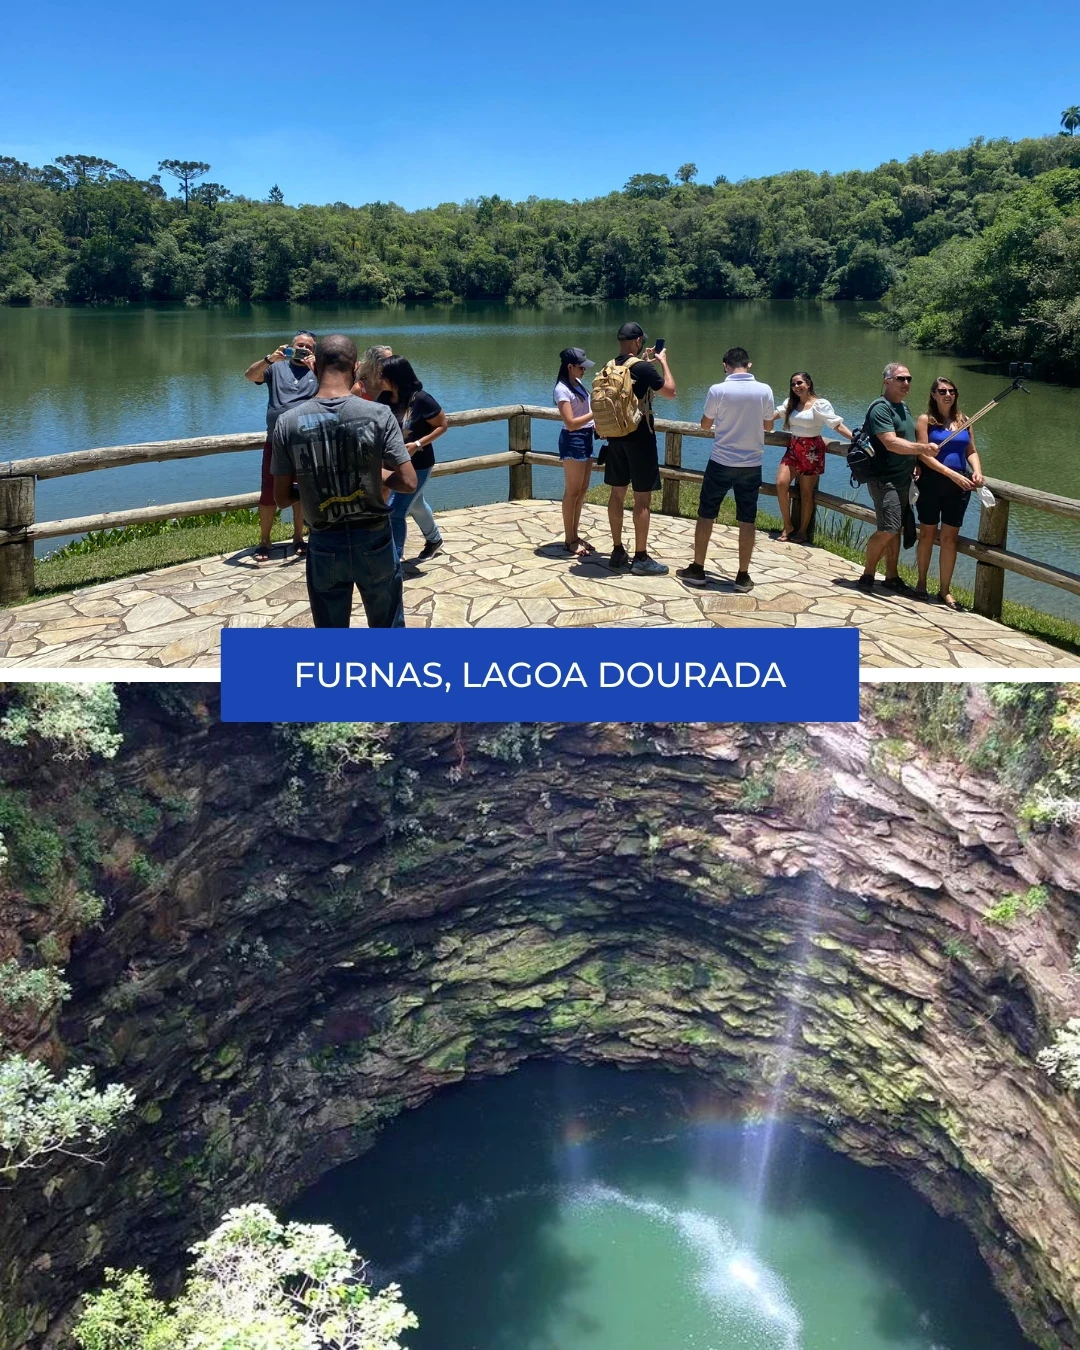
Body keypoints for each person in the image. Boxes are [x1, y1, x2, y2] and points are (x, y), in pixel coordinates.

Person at [271, 334, 417, 628]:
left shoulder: (287, 422)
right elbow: (408, 482)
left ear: (315, 367)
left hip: (324, 541)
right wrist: (374, 475)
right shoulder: (378, 414)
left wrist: (314, 486)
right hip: (374, 538)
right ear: (357, 367)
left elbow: (282, 498)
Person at [676, 347, 775, 592]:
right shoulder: (765, 390)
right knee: (747, 519)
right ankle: (742, 575)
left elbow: (706, 424)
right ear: (748, 365)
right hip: (752, 463)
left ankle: (698, 568)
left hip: (721, 460)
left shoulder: (717, 390)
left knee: (706, 514)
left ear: (725, 365)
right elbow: (769, 426)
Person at [600, 322, 676, 575]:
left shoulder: (610, 366)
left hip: (615, 439)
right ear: (637, 342)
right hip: (640, 439)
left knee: (617, 494)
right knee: (642, 499)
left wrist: (645, 362)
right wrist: (662, 361)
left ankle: (617, 550)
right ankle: (641, 557)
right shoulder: (642, 368)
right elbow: (670, 392)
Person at [244, 331, 317, 563]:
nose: (303, 349)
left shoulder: (320, 370)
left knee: (303, 492)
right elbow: (250, 375)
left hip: (308, 442)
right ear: (290, 346)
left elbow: (339, 391)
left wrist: (317, 368)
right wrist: (270, 359)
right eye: (299, 345)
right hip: (276, 442)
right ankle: (264, 541)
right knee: (268, 494)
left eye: (308, 347)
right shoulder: (276, 367)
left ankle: (298, 538)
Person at [856, 362, 926, 594]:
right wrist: (922, 449)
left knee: (895, 528)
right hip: (883, 479)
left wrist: (916, 461)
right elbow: (890, 441)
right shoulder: (880, 408)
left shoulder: (903, 407)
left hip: (903, 480)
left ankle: (892, 576)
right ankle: (867, 573)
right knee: (889, 527)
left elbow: (906, 436)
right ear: (886, 381)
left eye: (908, 379)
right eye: (900, 379)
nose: (906, 383)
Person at [914, 377, 982, 609]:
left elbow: (971, 450)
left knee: (949, 539)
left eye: (951, 391)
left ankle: (945, 590)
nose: (947, 395)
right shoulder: (926, 421)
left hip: (959, 485)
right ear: (933, 394)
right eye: (942, 391)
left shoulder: (964, 420)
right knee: (927, 534)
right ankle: (921, 583)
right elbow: (923, 454)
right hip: (931, 482)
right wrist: (949, 473)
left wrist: (978, 471)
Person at [377, 355, 447, 563]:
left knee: (396, 512)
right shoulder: (383, 398)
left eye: (383, 375)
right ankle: (434, 540)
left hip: (419, 464)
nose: (379, 378)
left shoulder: (422, 399)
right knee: (414, 504)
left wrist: (417, 444)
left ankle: (393, 562)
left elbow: (442, 425)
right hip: (391, 464)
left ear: (396, 377)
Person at [773, 372, 853, 542]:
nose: (796, 387)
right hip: (794, 448)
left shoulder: (820, 404)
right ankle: (788, 525)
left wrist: (855, 439)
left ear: (808, 384)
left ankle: (802, 531)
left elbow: (836, 425)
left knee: (806, 492)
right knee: (781, 483)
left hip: (812, 451)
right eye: (793, 384)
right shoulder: (790, 403)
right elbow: (771, 415)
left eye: (799, 383)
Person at [553, 346, 596, 557]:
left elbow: (586, 413)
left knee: (582, 490)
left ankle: (575, 535)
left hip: (587, 437)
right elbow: (570, 423)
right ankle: (569, 539)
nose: (584, 371)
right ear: (570, 367)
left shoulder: (577, 383)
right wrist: (594, 414)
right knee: (572, 491)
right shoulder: (561, 390)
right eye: (581, 367)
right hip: (573, 440)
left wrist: (597, 423)